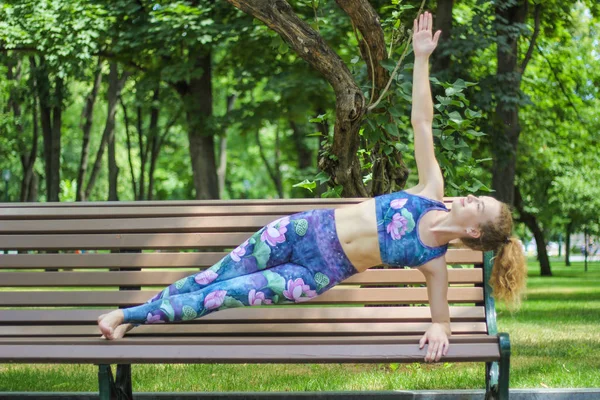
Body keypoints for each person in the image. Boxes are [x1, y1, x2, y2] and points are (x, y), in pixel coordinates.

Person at [98, 12, 527, 363]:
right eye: (479, 196)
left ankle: (123, 314)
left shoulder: (434, 263)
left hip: (311, 274)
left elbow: (443, 320)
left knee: (221, 295)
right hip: (298, 230)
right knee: (209, 278)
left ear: (474, 231)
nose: (471, 196)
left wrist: (440, 327)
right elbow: (423, 121)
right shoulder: (431, 188)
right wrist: (420, 58)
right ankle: (137, 316)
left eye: (479, 205)